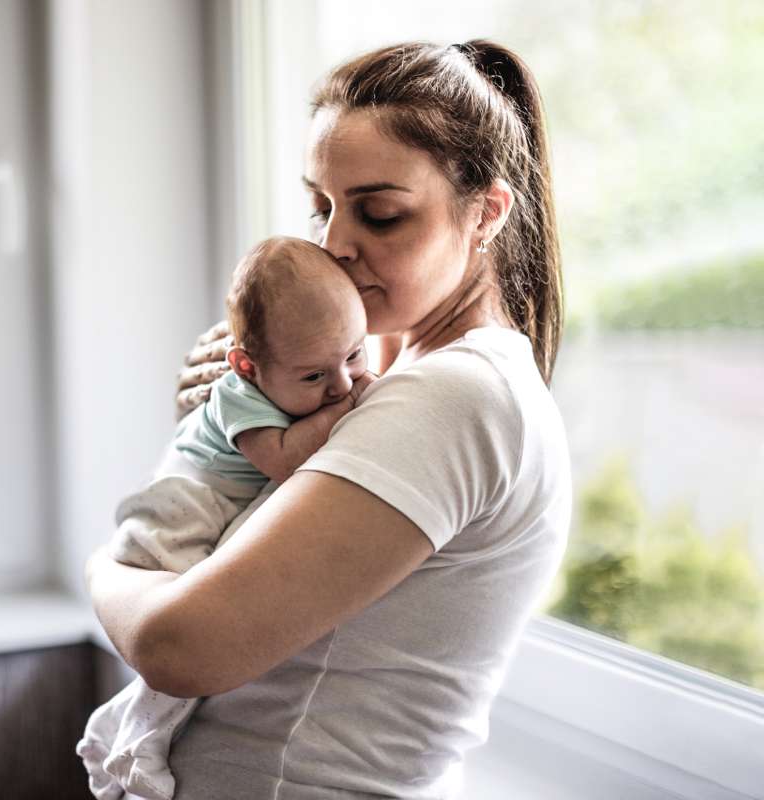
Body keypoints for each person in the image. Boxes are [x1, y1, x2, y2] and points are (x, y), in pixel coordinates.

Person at [84, 39, 572, 799]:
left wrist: (109, 568)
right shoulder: (377, 373)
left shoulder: (458, 395)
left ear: (486, 213)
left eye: (380, 214)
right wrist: (230, 425)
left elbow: (181, 648)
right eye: (322, 206)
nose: (334, 244)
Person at [77, 236, 371, 800]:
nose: (342, 383)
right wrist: (354, 406)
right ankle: (135, 742)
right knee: (186, 646)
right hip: (177, 512)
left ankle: (120, 730)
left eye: (355, 354)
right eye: (314, 377)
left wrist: (334, 385)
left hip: (205, 510)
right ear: (245, 366)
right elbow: (283, 459)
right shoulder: (238, 394)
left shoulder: (305, 365)